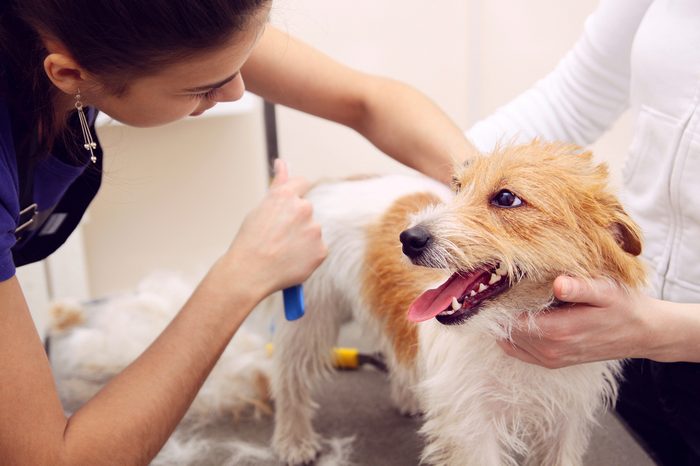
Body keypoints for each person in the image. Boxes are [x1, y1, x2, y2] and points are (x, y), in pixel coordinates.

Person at [0, 1, 473, 464]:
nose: (238, 91)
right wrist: (243, 273)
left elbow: (366, 100)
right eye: (203, 88)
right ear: (68, 74)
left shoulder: (165, 17)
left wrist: (489, 197)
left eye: (243, 61)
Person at [463, 1, 700, 464]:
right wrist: (447, 187)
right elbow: (573, 97)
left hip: (642, 329)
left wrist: (657, 329)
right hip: (611, 327)